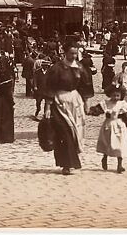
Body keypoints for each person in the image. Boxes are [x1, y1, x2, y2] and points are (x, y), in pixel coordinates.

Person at [44, 40, 87, 176]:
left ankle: (73, 158)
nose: (74, 56)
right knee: (64, 132)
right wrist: (48, 107)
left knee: (76, 132)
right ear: (65, 52)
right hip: (60, 102)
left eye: (76, 53)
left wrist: (86, 103)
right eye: (71, 53)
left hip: (75, 102)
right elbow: (49, 87)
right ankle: (66, 164)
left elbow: (84, 86)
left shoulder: (79, 68)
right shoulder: (57, 69)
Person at [90, 84, 127, 174]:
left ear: (121, 96)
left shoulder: (123, 104)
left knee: (120, 145)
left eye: (117, 95)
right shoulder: (106, 104)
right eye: (114, 95)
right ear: (110, 94)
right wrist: (92, 111)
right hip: (108, 125)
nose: (115, 97)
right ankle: (105, 157)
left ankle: (119, 165)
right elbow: (98, 110)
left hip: (119, 125)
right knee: (107, 143)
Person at [0, 56, 15, 143]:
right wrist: (12, 102)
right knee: (6, 120)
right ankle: (6, 137)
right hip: (5, 102)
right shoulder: (7, 81)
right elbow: (8, 93)